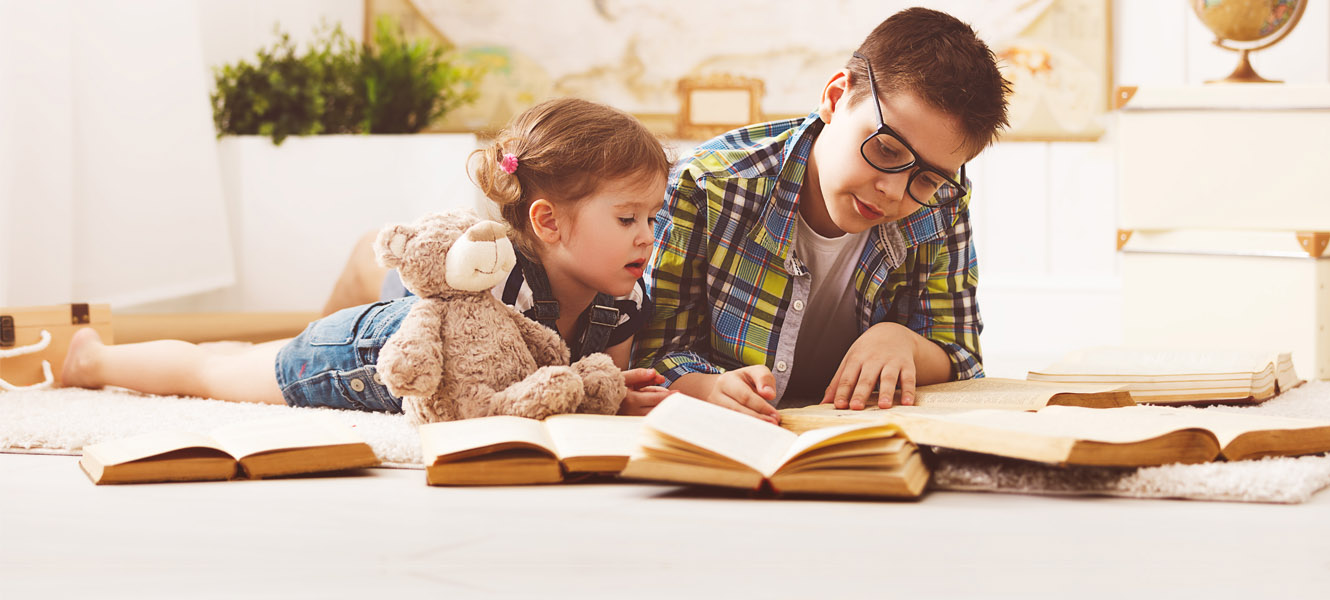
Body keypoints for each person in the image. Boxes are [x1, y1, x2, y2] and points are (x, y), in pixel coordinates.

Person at [62, 97, 674, 416]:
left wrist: (621, 391)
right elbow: (427, 310)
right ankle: (92, 360)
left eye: (652, 217)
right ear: (548, 222)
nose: (647, 235)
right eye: (627, 219)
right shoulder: (496, 269)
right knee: (211, 376)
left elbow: (601, 375)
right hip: (362, 354)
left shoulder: (622, 299)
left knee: (235, 360)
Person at [634, 7, 1011, 424]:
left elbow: (962, 354)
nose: (894, 190)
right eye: (887, 150)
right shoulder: (705, 186)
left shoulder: (941, 204)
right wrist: (704, 387)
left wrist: (903, 343)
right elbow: (653, 352)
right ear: (835, 98)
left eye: (926, 179)